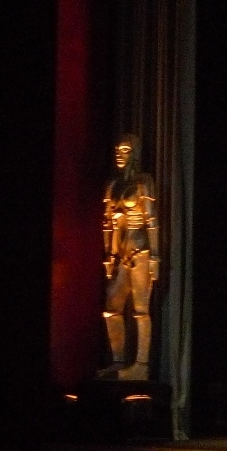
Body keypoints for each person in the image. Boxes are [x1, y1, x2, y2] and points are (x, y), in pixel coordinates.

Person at [97, 133, 159, 381]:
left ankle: (141, 364)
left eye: (125, 150)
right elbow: (107, 223)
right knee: (112, 307)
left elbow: (151, 221)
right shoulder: (113, 185)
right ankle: (119, 360)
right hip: (120, 251)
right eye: (117, 150)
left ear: (135, 153)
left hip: (139, 250)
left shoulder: (144, 182)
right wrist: (109, 254)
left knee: (141, 309)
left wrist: (154, 257)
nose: (119, 154)